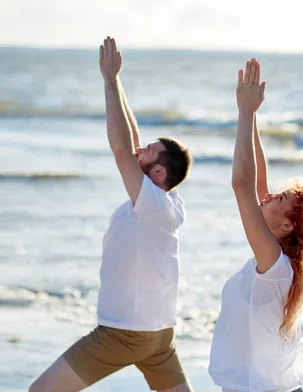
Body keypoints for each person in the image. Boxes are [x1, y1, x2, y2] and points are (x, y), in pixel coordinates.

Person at [29, 37, 194, 392]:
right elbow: (131, 141)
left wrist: (106, 81)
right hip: (159, 337)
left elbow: (120, 147)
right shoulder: (165, 201)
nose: (140, 149)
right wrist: (118, 82)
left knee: (40, 391)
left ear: (159, 173)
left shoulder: (151, 204)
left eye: (150, 151)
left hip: (123, 334)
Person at [208, 58, 303, 392]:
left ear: (288, 225)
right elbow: (259, 183)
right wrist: (252, 116)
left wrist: (244, 114)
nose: (270, 195)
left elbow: (242, 186)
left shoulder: (275, 266)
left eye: (279, 199)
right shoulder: (279, 258)